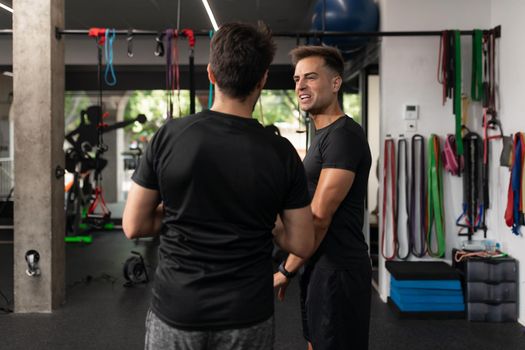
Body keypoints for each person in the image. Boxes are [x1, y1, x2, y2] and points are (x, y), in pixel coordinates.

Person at [122, 22, 316, 350]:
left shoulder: (169, 137)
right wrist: (266, 220)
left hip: (177, 310)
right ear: (263, 79)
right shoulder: (281, 153)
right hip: (247, 314)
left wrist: (181, 210)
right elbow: (302, 242)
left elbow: (133, 225)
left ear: (212, 74)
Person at [273, 45, 372, 350]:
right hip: (318, 265)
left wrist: (285, 270)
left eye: (311, 77)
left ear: (335, 82)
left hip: (338, 269)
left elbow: (318, 217)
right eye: (297, 78)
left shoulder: (343, 137)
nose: (300, 85)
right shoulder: (322, 137)